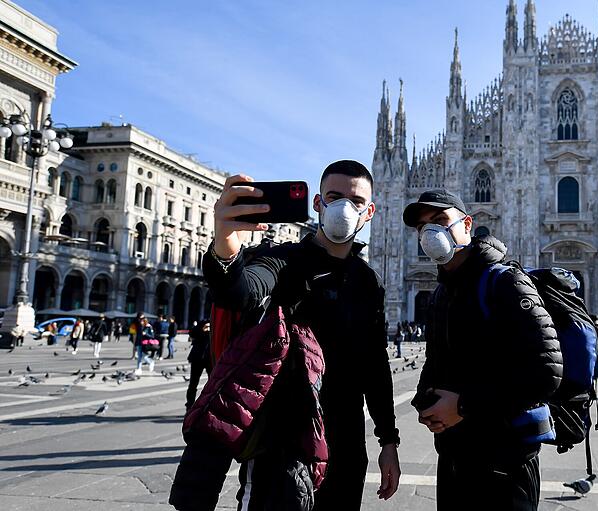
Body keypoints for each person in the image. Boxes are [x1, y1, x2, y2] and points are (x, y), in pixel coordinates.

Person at [197, 161, 400, 509]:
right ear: (318, 203)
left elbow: (375, 365)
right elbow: (240, 290)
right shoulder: (282, 262)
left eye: (356, 201)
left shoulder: (368, 282)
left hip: (346, 443)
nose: (344, 209)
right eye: (335, 198)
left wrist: (388, 441)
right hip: (282, 439)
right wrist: (226, 245)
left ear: (370, 212)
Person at [403, 189, 562, 511]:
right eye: (422, 228)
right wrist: (427, 400)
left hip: (506, 459)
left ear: (467, 224)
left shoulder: (506, 282)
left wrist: (463, 405)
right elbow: (436, 363)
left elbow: (546, 374)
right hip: (455, 452)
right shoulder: (442, 292)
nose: (430, 233)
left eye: (439, 221)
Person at [185, 319, 212, 409]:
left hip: (210, 359)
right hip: (197, 358)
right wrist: (202, 329)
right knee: (193, 383)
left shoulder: (217, 324)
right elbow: (192, 333)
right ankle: (190, 404)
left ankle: (210, 403)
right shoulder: (203, 323)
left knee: (212, 383)